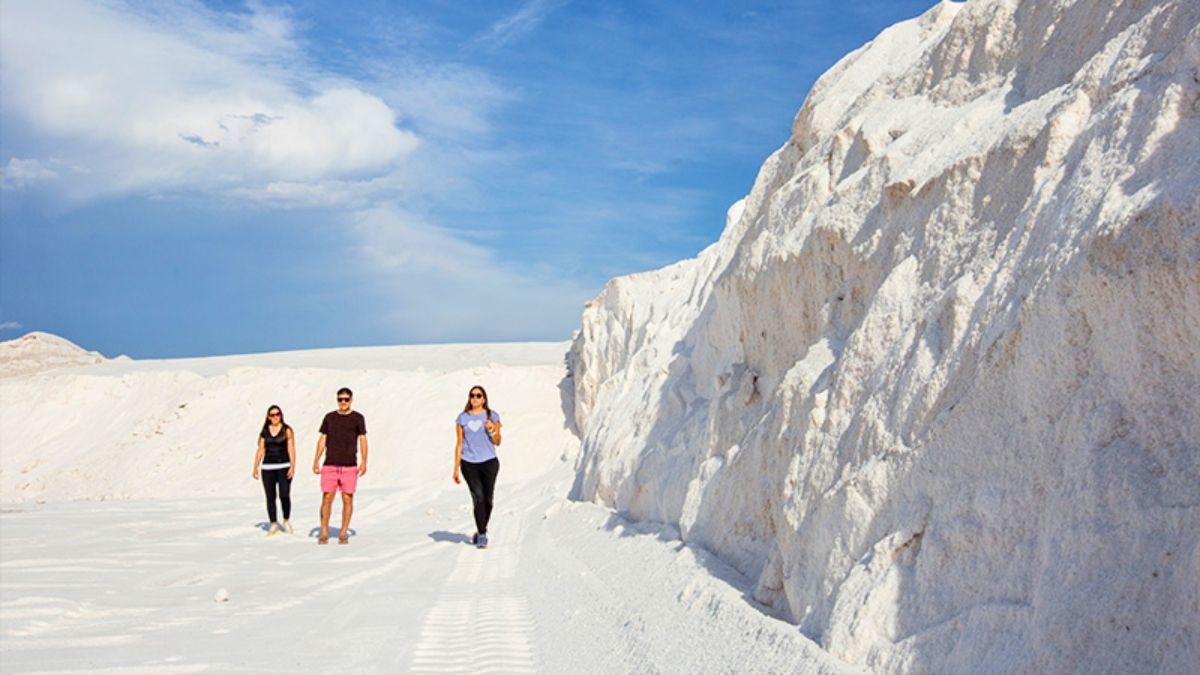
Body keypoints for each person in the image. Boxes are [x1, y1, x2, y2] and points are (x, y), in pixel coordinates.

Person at [312, 387, 368, 545]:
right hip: (330, 464)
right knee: (327, 498)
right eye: (340, 399)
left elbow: (363, 440)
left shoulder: (358, 418)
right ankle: (324, 533)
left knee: (347, 498)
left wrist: (364, 461)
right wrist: (316, 459)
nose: (343, 402)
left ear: (351, 400)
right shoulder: (329, 417)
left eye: (346, 399)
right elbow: (322, 439)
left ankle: (343, 533)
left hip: (349, 465)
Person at [453, 385, 502, 549]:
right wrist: (455, 468)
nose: (475, 398)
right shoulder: (462, 418)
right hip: (469, 463)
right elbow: (459, 444)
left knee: (488, 500)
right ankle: (482, 535)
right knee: (478, 497)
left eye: (478, 395)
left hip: (489, 462)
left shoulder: (492, 416)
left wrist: (492, 430)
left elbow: (498, 442)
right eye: (472, 395)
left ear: (484, 399)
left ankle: (482, 527)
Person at [252, 405, 296, 536]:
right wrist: (255, 466)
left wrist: (293, 466)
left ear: (281, 415)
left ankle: (286, 520)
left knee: (284, 494)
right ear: (268, 417)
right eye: (272, 415)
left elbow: (291, 448)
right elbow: (261, 449)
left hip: (284, 466)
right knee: (270, 496)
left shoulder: (287, 430)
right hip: (268, 468)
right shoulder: (265, 431)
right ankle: (273, 523)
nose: (275, 417)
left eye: (277, 414)